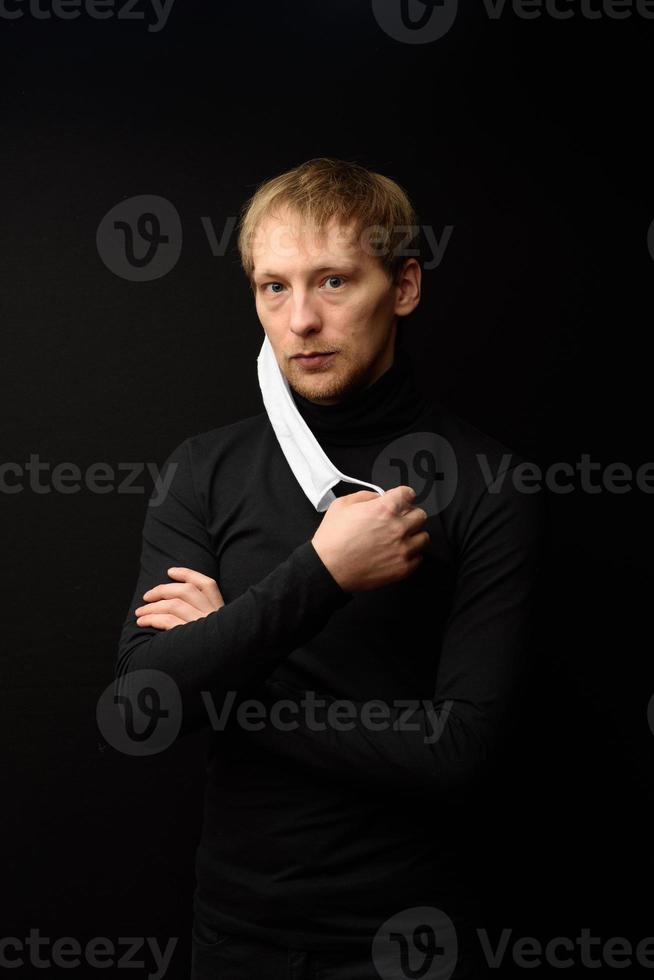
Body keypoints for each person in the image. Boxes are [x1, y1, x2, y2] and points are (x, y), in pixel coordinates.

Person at [115, 157, 545, 979]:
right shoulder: (202, 469)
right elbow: (145, 699)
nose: (301, 319)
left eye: (335, 282)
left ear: (405, 286)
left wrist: (221, 672)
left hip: (414, 939)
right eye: (273, 287)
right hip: (236, 935)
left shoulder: (490, 482)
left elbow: (459, 755)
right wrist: (324, 573)